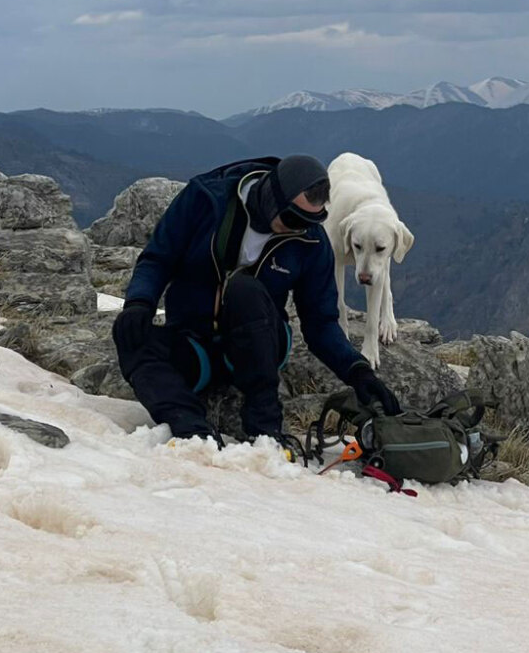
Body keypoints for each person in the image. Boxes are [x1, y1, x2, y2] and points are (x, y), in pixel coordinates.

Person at [112, 154, 400, 448]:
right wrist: (139, 302)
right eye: (293, 218)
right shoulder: (206, 199)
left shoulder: (311, 240)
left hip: (261, 343)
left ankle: (265, 426)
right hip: (195, 344)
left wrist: (356, 369)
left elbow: (320, 322)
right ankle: (191, 428)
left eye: (310, 221)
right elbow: (158, 257)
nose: (299, 228)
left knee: (244, 290)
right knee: (130, 336)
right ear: (273, 196)